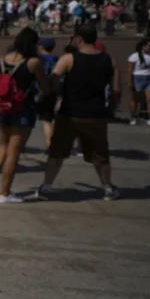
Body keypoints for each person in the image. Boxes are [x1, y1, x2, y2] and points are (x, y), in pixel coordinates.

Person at [38, 24, 120, 201]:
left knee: (57, 152)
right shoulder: (109, 60)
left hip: (69, 113)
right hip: (96, 114)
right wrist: (110, 109)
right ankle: (107, 187)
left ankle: (46, 186)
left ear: (79, 39)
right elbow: (116, 90)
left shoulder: (69, 59)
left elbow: (52, 80)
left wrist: (52, 97)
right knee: (101, 154)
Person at [0, 28, 49, 204]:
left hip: (3, 107)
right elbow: (45, 86)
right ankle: (5, 193)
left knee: (1, 146)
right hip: (22, 108)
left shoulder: (4, 59)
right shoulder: (33, 62)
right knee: (14, 151)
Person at [127, 38, 150, 129]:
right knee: (135, 99)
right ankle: (133, 117)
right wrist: (130, 82)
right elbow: (130, 69)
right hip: (138, 78)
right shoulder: (134, 56)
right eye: (149, 46)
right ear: (143, 46)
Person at [36, 37, 59, 149]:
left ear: (41, 46)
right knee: (48, 119)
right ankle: (50, 144)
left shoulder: (37, 59)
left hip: (37, 91)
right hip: (51, 91)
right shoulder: (56, 59)